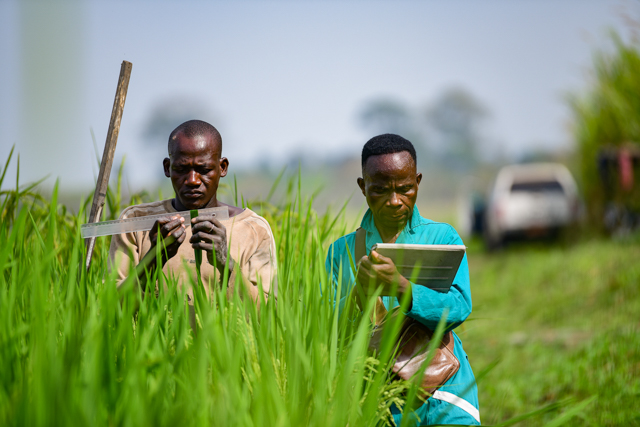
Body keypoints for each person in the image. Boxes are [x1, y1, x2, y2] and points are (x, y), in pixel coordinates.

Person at [325, 134, 480, 426]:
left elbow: (459, 307)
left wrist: (402, 287)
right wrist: (360, 295)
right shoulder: (341, 252)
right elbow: (328, 326)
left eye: (405, 189)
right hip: (381, 401)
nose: (394, 201)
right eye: (380, 190)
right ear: (363, 187)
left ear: (418, 181)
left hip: (445, 392)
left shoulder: (442, 239)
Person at [109, 120, 277, 322]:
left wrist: (227, 262)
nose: (192, 180)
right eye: (181, 170)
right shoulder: (136, 222)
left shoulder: (253, 229)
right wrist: (153, 259)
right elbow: (109, 309)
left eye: (203, 169)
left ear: (222, 167)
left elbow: (269, 318)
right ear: (167, 168)